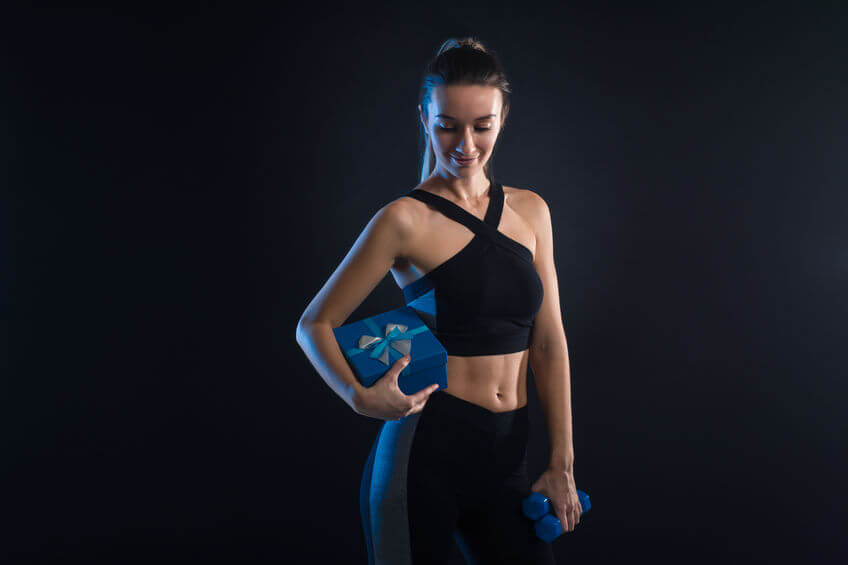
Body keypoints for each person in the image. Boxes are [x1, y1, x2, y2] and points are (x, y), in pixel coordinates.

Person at [296, 36, 580, 564]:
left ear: (503, 117)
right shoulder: (404, 219)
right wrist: (360, 398)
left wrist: (561, 461)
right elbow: (314, 324)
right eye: (448, 124)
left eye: (482, 125)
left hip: (508, 458)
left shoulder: (532, 212)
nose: (465, 144)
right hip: (424, 453)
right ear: (425, 118)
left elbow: (549, 342)